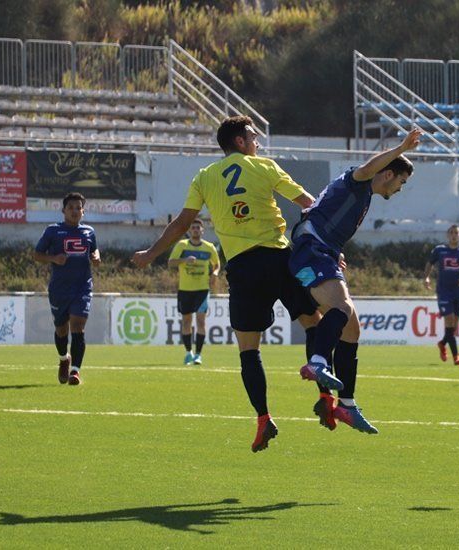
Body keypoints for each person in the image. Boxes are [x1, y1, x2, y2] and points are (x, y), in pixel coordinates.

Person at [132, 115, 323, 453]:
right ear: (239, 141)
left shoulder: (204, 177)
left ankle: (263, 418)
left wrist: (150, 253)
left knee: (249, 351)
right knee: (314, 324)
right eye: (252, 135)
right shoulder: (264, 167)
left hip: (243, 267)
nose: (258, 141)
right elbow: (310, 204)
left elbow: (180, 223)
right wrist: (329, 247)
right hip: (280, 259)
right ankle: (325, 395)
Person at [289, 128, 423, 435]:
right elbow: (366, 168)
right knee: (343, 309)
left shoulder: (362, 196)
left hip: (322, 252)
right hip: (311, 250)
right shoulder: (357, 181)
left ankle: (346, 405)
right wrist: (401, 147)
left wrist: (335, 253)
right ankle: (318, 361)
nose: (400, 189)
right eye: (401, 181)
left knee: (352, 329)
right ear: (388, 174)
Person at [33, 192, 100, 386]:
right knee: (61, 330)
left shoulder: (89, 231)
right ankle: (64, 359)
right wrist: (53, 258)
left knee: (78, 326)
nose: (74, 211)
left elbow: (94, 249)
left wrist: (96, 257)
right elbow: (37, 255)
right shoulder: (53, 231)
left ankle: (75, 372)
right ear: (63, 210)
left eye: (78, 207)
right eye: (70, 207)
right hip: (59, 289)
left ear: (83, 211)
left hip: (82, 287)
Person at [168, 219, 221, 366]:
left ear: (202, 231)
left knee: (200, 320)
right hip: (185, 290)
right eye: (193, 228)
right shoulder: (182, 245)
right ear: (189, 231)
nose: (196, 230)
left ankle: (198, 355)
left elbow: (217, 264)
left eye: (198, 227)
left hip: (202, 290)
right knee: (186, 321)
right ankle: (188, 353)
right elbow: (171, 262)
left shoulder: (209, 247)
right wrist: (185, 260)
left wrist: (215, 273)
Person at [424, 224, 459, 365]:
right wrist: (426, 277)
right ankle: (456, 355)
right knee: (449, 321)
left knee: (453, 327)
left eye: (456, 233)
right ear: (448, 235)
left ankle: (442, 343)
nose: (454, 235)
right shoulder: (439, 250)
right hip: (444, 291)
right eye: (451, 232)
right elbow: (430, 263)